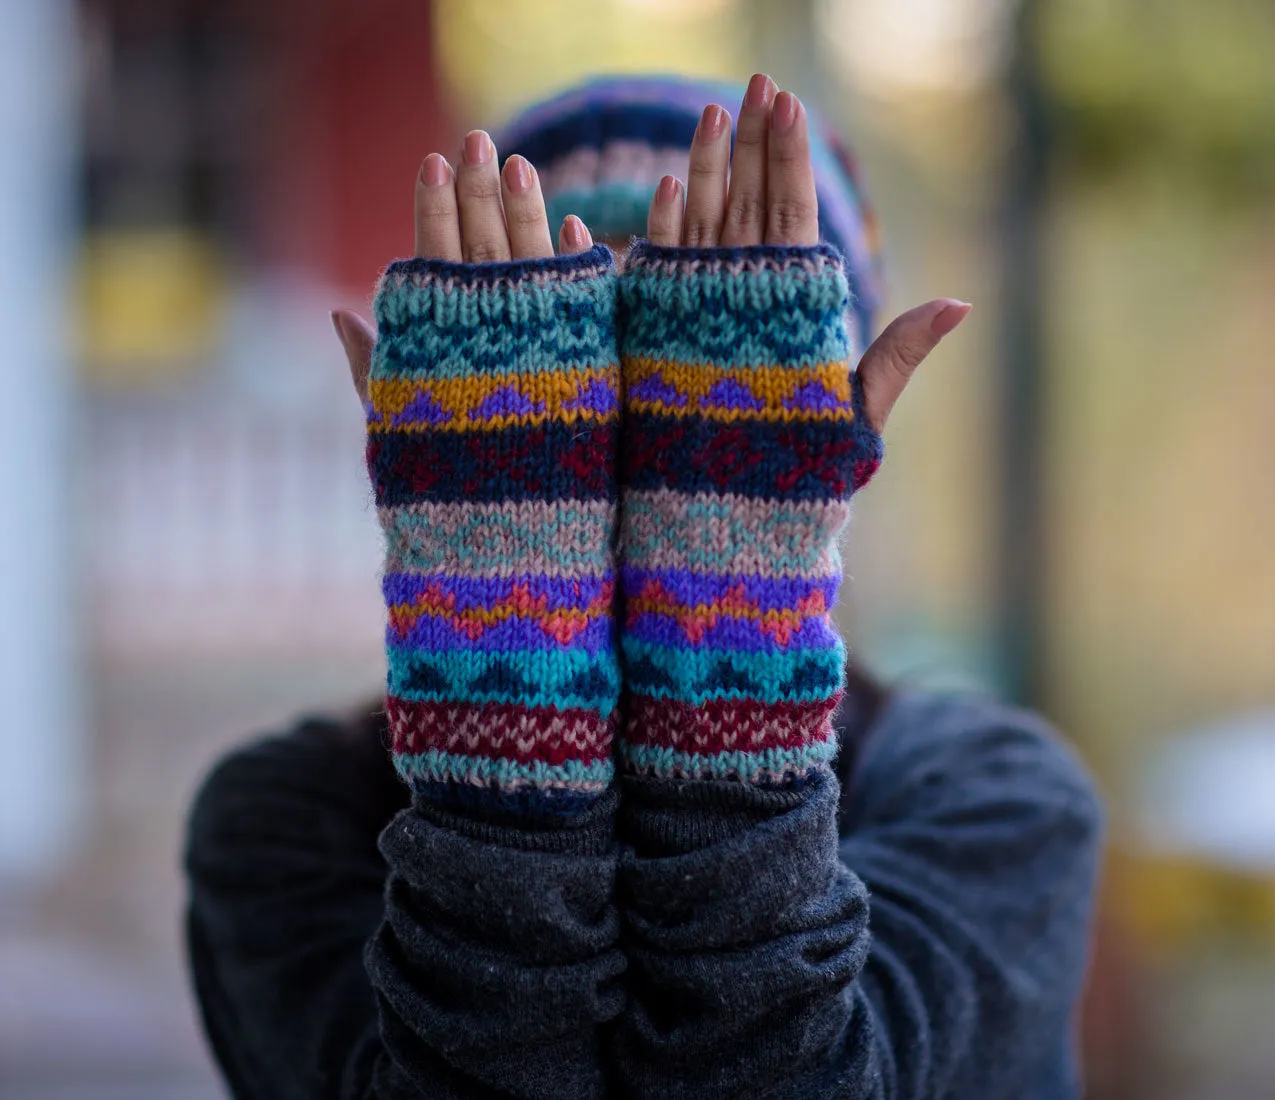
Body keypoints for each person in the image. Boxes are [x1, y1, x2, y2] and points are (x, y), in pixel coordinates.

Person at [184, 74, 1103, 1099]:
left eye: (690, 391)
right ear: (442, 429)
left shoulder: (996, 805)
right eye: (578, 385)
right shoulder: (281, 822)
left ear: (836, 434)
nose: (633, 451)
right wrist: (512, 735)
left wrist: (717, 702)